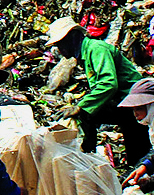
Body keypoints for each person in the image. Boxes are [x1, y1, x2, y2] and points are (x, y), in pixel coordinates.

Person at [46, 17, 147, 164]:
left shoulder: (96, 49)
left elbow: (109, 84)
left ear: (72, 38)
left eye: (60, 44)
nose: (60, 50)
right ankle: (89, 157)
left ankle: (89, 158)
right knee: (88, 115)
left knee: (88, 114)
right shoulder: (87, 54)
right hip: (123, 100)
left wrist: (80, 106)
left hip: (134, 100)